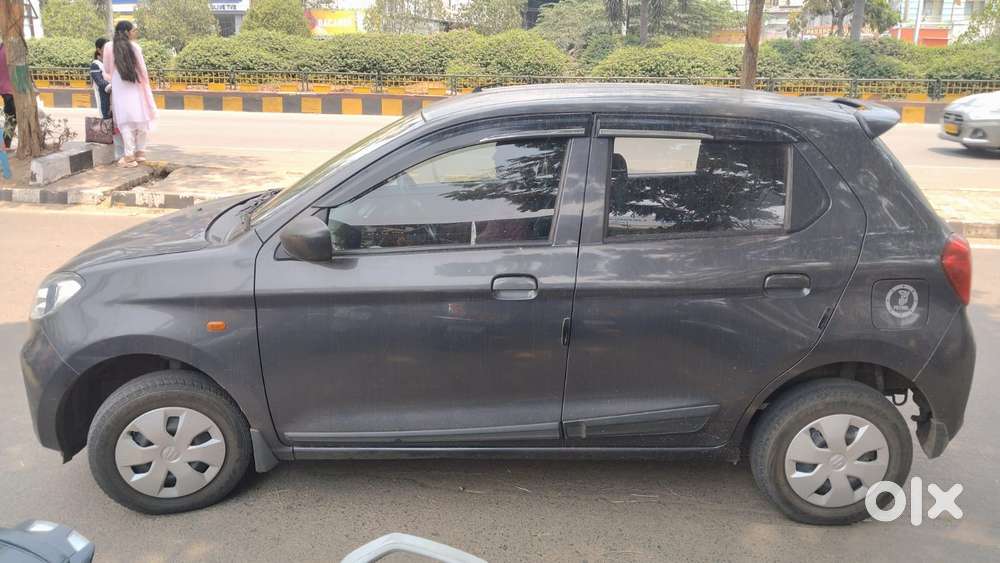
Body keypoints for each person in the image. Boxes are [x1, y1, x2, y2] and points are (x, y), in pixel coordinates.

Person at [102, 21, 157, 168]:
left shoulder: (108, 47)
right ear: (126, 32)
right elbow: (142, 69)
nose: (135, 33)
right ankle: (140, 153)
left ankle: (129, 156)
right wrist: (146, 85)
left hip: (119, 83)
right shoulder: (135, 47)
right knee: (140, 117)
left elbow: (107, 68)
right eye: (133, 31)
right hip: (135, 82)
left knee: (125, 121)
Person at [0, 43, 16, 151]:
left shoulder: (2, 47)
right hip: (10, 90)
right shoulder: (10, 48)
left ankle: (5, 145)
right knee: (11, 119)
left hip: (4, 89)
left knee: (10, 118)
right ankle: (5, 146)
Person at [90, 38, 112, 120]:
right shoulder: (95, 65)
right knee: (107, 121)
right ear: (99, 50)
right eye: (106, 48)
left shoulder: (111, 63)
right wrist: (112, 87)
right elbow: (100, 81)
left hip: (114, 98)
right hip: (104, 99)